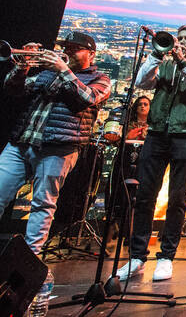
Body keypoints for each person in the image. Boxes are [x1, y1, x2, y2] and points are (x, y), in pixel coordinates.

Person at [116, 25, 186, 282]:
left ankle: (166, 257)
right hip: (157, 132)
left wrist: (183, 62)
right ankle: (137, 256)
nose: (181, 42)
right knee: (145, 196)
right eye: (178, 38)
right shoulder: (165, 64)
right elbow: (141, 82)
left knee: (177, 198)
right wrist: (157, 54)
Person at [0, 32, 111, 254]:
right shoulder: (46, 74)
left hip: (59, 148)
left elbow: (88, 98)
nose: (67, 51)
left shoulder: (100, 79)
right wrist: (22, 66)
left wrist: (64, 70)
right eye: (65, 47)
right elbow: (13, 89)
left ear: (91, 54)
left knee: (42, 204)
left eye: (74, 48)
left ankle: (31, 259)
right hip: (22, 142)